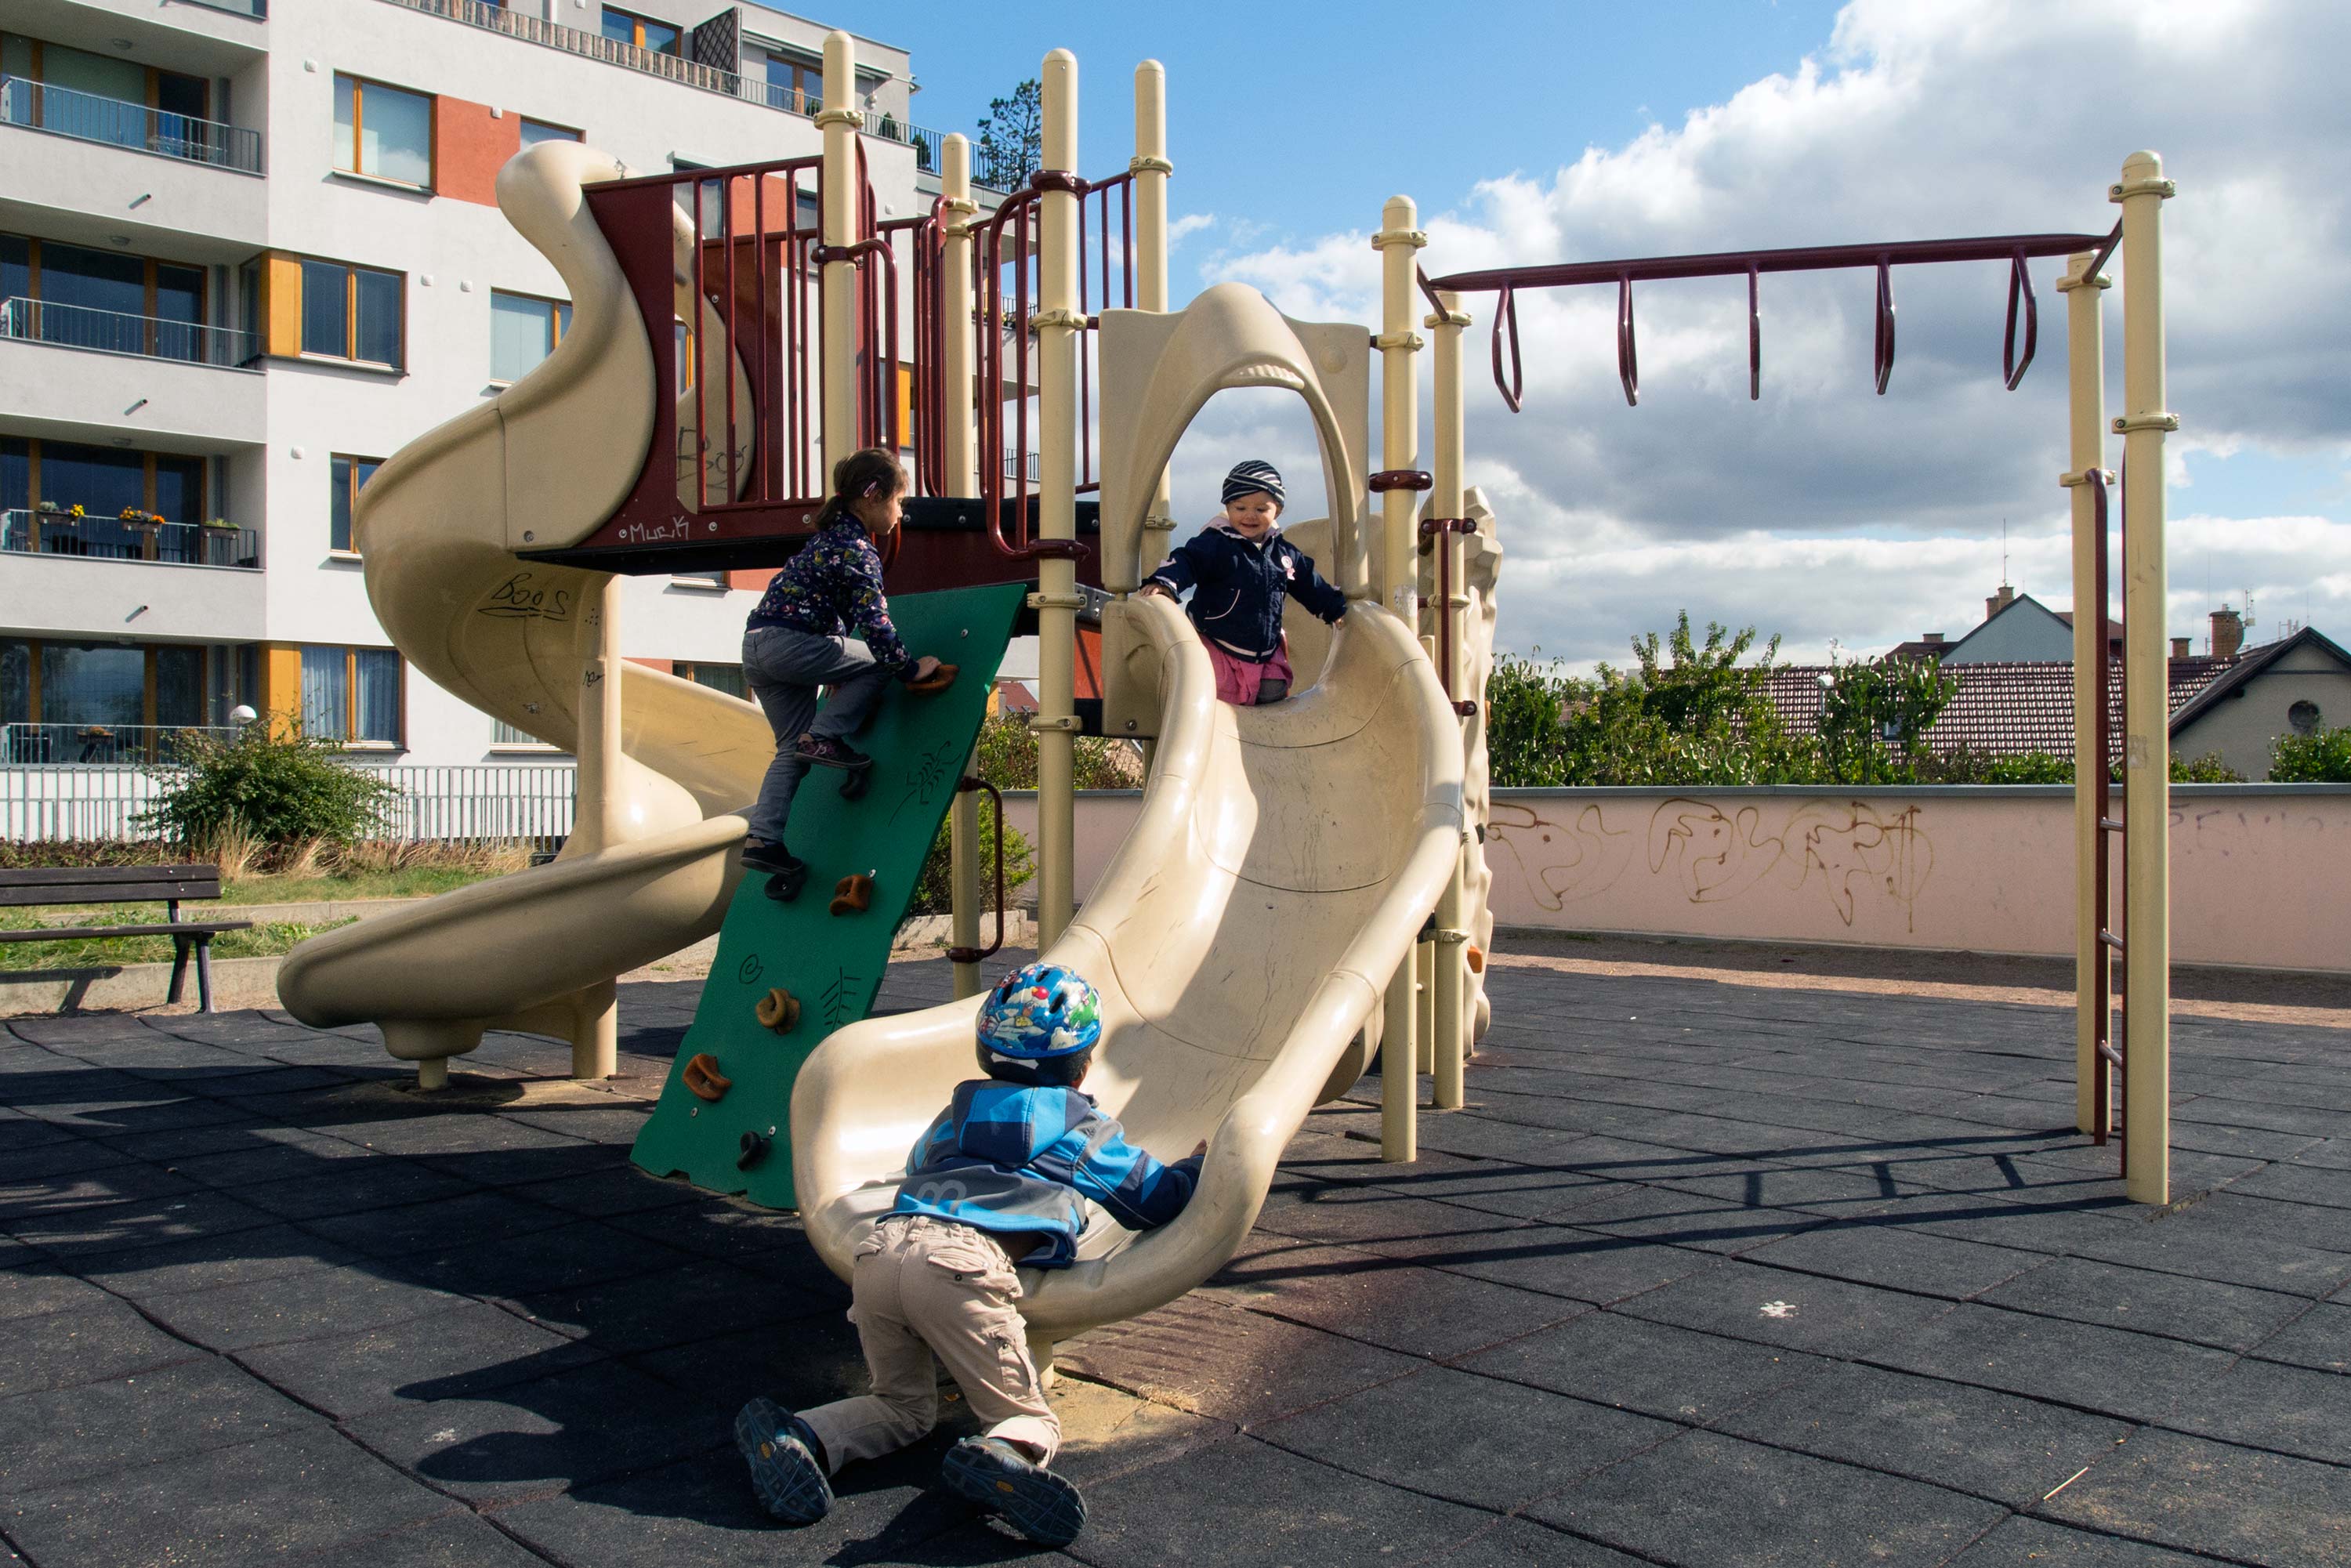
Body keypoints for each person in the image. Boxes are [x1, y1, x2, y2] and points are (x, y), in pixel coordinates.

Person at [734, 961, 1205, 1547]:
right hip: (961, 1267)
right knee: (1027, 1416)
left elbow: (918, 1163)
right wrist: (1195, 1167)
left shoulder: (953, 1116)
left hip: (879, 1252)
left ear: (985, 1053)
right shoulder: (1075, 1127)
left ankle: (802, 1436)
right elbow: (1151, 1199)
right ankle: (1001, 1452)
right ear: (1083, 1066)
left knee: (902, 1408)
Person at [738, 447, 940, 900]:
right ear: (873, 496)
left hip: (756, 647)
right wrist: (911, 669)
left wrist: (834, 660)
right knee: (882, 662)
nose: (900, 513)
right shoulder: (858, 549)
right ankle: (826, 735)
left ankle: (764, 839)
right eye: (899, 502)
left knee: (791, 748)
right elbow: (877, 628)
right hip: (791, 645)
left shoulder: (824, 540)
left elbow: (824, 605)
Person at [1136, 458, 1346, 706]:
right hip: (1218, 642)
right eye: (1240, 507)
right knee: (1220, 695)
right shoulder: (1216, 544)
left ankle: (1266, 724)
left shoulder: (1283, 554)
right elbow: (1188, 560)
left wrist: (1333, 608)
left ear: (1277, 511)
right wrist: (1165, 582)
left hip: (1264, 650)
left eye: (1261, 509)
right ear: (1227, 506)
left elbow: (1308, 582)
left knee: (1274, 689)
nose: (1250, 515)